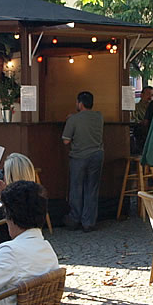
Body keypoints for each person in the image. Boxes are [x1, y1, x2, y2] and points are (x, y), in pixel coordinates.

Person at [62, 90, 104, 232]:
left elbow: (66, 141)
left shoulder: (73, 119)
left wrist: (70, 120)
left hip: (79, 157)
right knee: (92, 188)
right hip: (97, 155)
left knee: (76, 188)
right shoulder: (99, 117)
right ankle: (89, 222)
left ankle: (74, 219)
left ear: (80, 103)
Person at [130, 86, 153, 155]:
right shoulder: (136, 107)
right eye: (148, 94)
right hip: (141, 135)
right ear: (141, 95)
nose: (150, 97)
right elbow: (134, 120)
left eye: (152, 95)